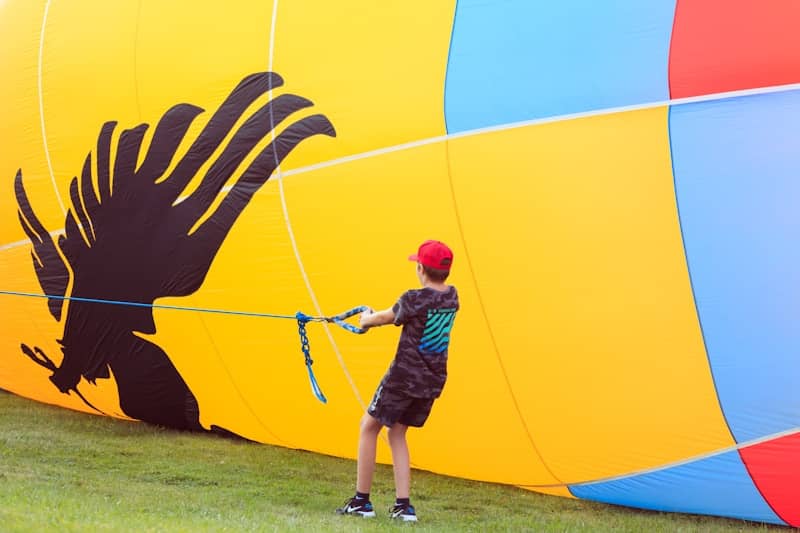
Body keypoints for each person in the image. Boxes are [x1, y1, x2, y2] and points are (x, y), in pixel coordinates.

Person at [335, 240, 459, 522]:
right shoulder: (453, 297)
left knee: (368, 427)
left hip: (403, 377)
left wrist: (365, 320)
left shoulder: (414, 298)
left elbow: (386, 318)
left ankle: (361, 502)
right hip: (432, 381)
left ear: (420, 268)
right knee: (397, 433)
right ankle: (404, 507)